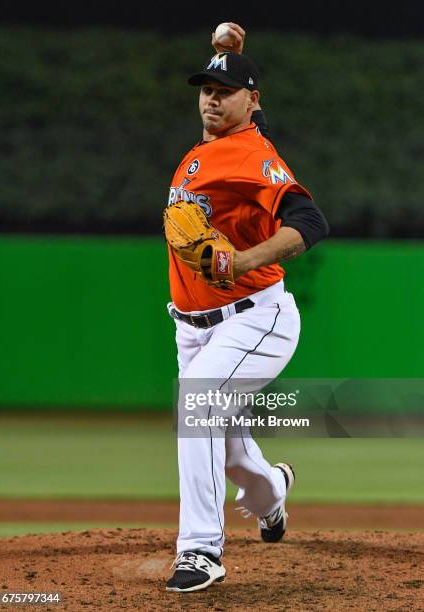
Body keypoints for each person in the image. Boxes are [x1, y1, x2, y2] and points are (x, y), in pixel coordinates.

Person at [165, 24, 329, 593]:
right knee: (235, 459)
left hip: (255, 318)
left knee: (198, 405)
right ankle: (274, 494)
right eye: (206, 88)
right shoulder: (212, 148)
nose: (211, 97)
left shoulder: (252, 154)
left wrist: (242, 260)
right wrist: (227, 58)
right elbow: (240, 129)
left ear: (252, 101)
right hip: (194, 329)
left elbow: (310, 221)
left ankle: (201, 551)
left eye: (225, 90)